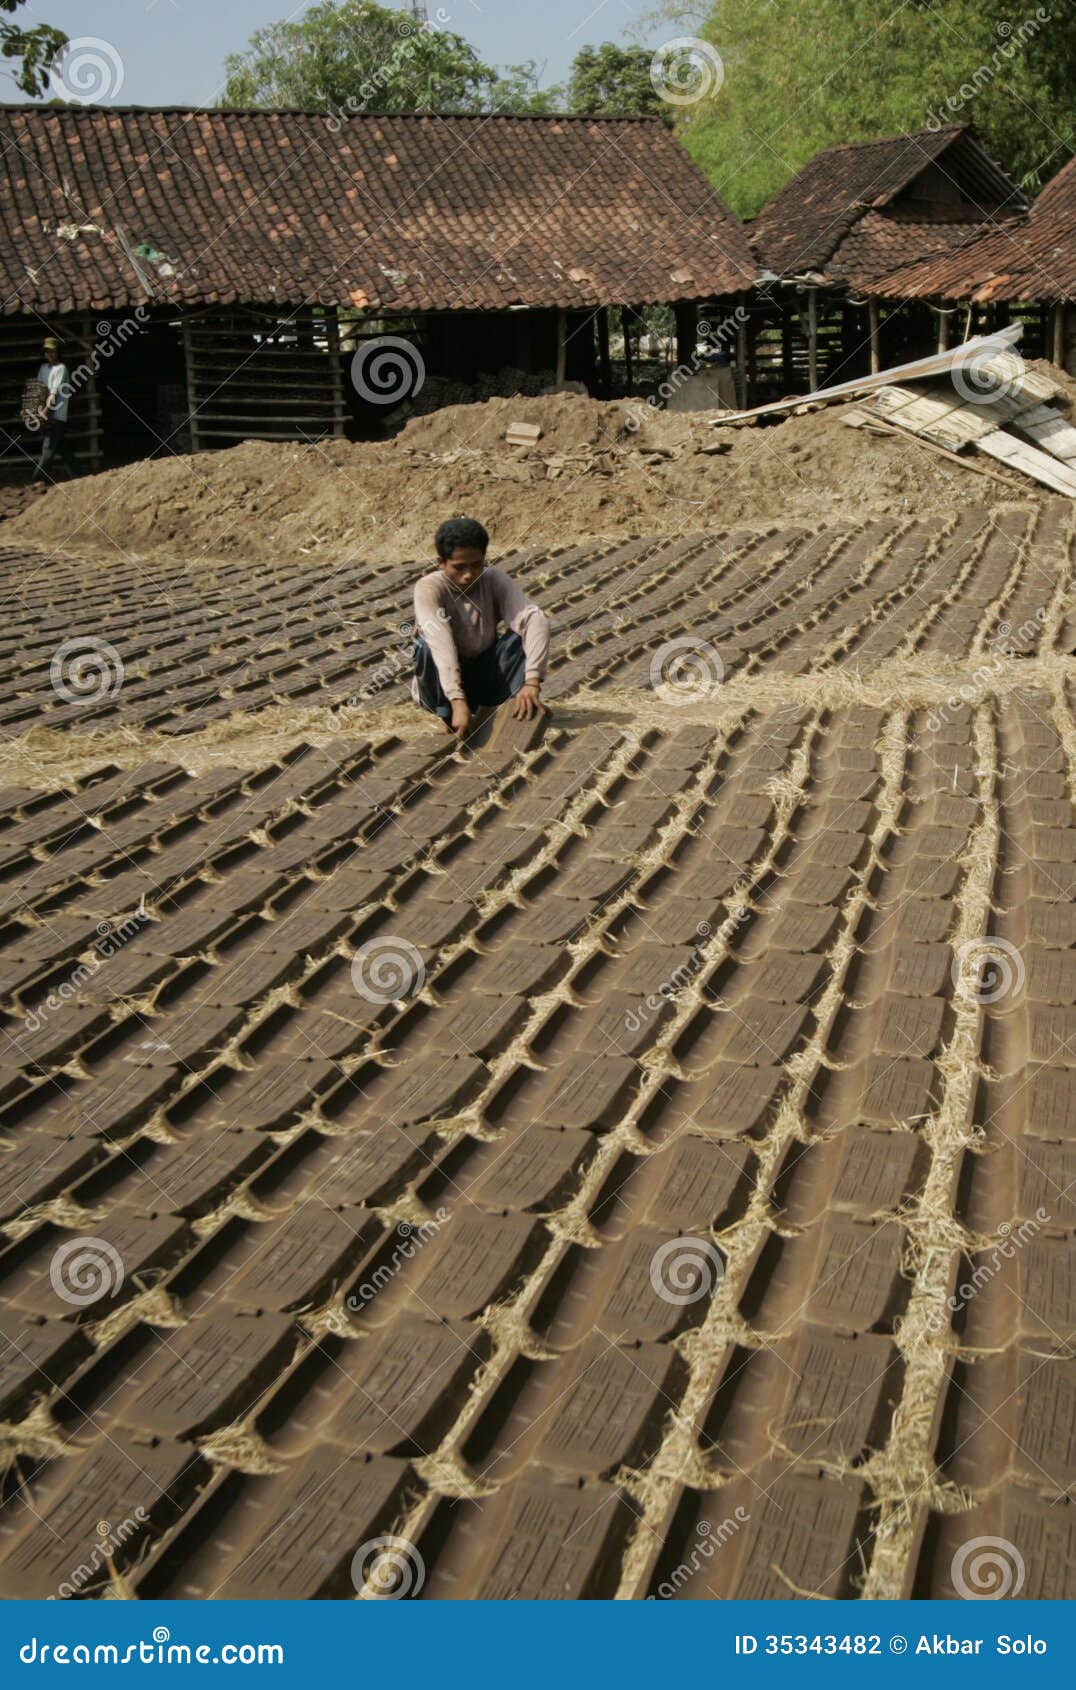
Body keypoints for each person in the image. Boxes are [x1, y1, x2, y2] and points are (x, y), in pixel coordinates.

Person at [412, 517, 550, 739]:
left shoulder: (493, 578)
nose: (468, 574)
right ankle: (448, 716)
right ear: (441, 563)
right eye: (459, 567)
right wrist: (457, 700)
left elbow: (535, 619)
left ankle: (510, 708)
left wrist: (533, 681)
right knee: (425, 645)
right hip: (445, 680)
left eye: (476, 565)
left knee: (520, 635)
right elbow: (441, 644)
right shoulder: (429, 588)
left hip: (486, 671)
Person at [30, 337, 75, 487]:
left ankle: (38, 478)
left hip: (57, 415)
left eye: (52, 351)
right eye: (47, 351)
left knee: (48, 448)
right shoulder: (43, 368)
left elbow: (53, 394)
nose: (49, 354)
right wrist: (36, 410)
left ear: (58, 352)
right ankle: (78, 475)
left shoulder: (61, 369)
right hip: (47, 414)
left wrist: (45, 411)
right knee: (63, 448)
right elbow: (40, 390)